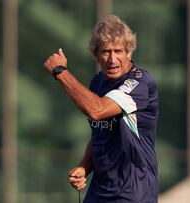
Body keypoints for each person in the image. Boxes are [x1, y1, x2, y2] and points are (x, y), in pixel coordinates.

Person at [43, 15, 159, 203]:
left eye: (118, 51)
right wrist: (84, 167)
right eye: (106, 52)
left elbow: (97, 111)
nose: (112, 59)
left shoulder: (140, 83)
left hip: (133, 194)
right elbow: (100, 134)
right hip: (99, 192)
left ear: (129, 53)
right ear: (96, 55)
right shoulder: (98, 82)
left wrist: (60, 72)